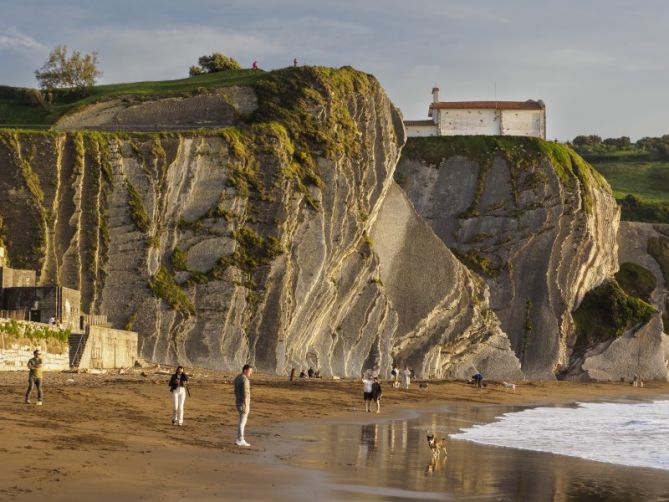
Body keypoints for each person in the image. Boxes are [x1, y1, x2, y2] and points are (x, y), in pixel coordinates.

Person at [234, 364, 253, 447]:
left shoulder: (237, 378)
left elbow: (235, 391)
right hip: (243, 403)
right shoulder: (245, 380)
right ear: (245, 370)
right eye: (250, 371)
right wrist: (246, 405)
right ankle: (240, 439)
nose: (251, 373)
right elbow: (245, 394)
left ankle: (240, 439)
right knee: (242, 422)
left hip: (238, 402)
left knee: (241, 421)